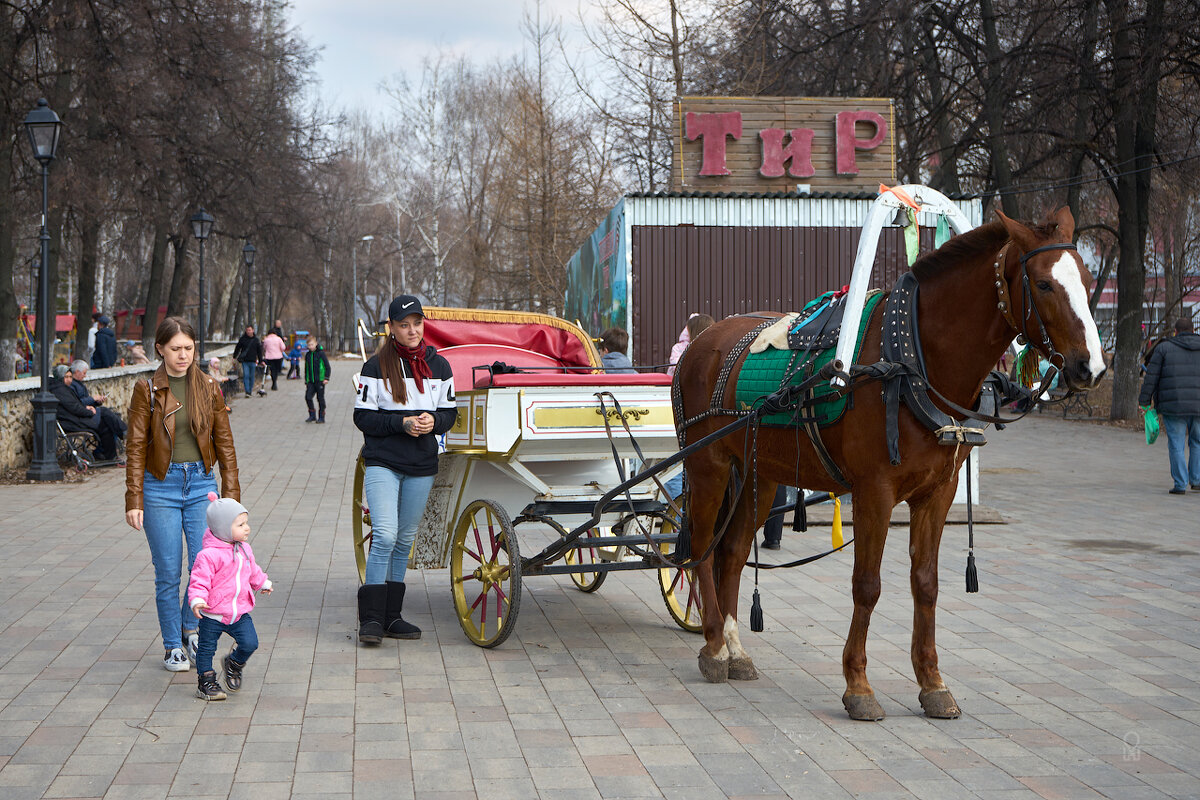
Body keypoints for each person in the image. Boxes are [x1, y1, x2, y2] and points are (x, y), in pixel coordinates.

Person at [125, 316, 240, 672]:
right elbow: (135, 447)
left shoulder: (208, 386)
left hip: (201, 486)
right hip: (160, 486)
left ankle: (189, 627)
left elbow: (225, 443)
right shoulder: (146, 389)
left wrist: (231, 495)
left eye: (188, 348)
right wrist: (134, 499)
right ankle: (172, 645)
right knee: (168, 572)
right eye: (175, 349)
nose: (183, 355)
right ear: (160, 349)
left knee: (203, 565)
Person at [353, 294, 457, 644]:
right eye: (404, 325)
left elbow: (450, 414)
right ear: (392, 329)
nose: (412, 331)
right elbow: (362, 417)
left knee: (405, 540)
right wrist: (403, 423)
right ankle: (370, 619)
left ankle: (392, 617)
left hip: (422, 465)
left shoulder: (439, 367)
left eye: (417, 323)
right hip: (383, 461)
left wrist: (434, 421)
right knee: (384, 534)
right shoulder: (375, 367)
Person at [188, 492, 272, 701]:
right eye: (241, 525)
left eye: (246, 523)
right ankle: (206, 682)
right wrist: (197, 599)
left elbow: (252, 570)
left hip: (239, 611)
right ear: (223, 529)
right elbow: (199, 580)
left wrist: (262, 582)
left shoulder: (244, 549)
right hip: (213, 614)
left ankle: (234, 663)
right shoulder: (208, 555)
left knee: (250, 643)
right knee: (206, 649)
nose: (247, 528)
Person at [1139, 316, 1200, 494]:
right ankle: (1196, 479)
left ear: (1175, 332)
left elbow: (1151, 377)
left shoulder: (1164, 348)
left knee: (1176, 442)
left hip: (1173, 404)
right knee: (1197, 441)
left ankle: (1180, 483)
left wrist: (1144, 401)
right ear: (1194, 331)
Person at [50, 365, 118, 461]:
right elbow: (74, 408)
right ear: (61, 377)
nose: (70, 380)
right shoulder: (60, 390)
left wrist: (88, 408)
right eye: (66, 377)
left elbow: (76, 405)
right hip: (71, 422)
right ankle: (109, 454)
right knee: (105, 424)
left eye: (70, 377)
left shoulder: (62, 389)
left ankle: (108, 453)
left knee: (106, 421)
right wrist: (89, 412)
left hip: (75, 419)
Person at [69, 360, 127, 446]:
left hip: (87, 412)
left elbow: (86, 402)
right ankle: (124, 431)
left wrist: (97, 401)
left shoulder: (79, 384)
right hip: (80, 416)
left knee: (108, 422)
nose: (85, 376)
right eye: (84, 373)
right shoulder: (72, 386)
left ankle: (105, 453)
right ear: (77, 372)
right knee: (104, 412)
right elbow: (77, 403)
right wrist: (93, 398)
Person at [303, 334, 331, 423]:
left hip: (320, 381)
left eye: (312, 344)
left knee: (320, 399)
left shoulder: (321, 354)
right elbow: (306, 368)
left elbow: (327, 366)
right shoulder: (308, 355)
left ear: (315, 344)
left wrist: (326, 378)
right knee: (308, 397)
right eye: (309, 345)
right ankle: (312, 415)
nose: (310, 347)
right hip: (311, 381)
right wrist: (306, 380)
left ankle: (321, 417)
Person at [232, 325, 263, 398]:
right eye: (247, 330)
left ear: (253, 330)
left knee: (251, 376)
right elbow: (238, 348)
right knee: (246, 375)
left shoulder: (256, 340)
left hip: (253, 361)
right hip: (245, 360)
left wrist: (260, 360)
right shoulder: (243, 339)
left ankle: (250, 390)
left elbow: (259, 351)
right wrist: (234, 356)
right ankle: (247, 391)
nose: (248, 332)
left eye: (250, 330)